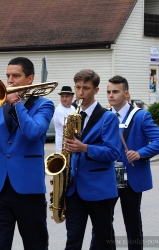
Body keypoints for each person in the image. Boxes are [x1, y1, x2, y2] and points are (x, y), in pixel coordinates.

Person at [0, 57, 54, 249]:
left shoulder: (44, 105)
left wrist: (17, 104)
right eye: (8, 76)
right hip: (0, 188)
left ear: (30, 79)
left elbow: (32, 132)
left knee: (35, 245)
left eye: (16, 76)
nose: (10, 80)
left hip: (29, 189)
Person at [104, 75, 159, 249]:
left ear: (126, 93)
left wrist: (140, 153)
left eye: (115, 91)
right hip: (108, 176)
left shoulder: (141, 116)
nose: (111, 95)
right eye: (108, 92)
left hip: (131, 176)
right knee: (103, 221)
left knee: (132, 223)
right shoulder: (105, 116)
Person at [63, 69, 121, 250]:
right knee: (73, 239)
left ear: (96, 90)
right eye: (78, 87)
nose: (80, 92)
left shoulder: (108, 117)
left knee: (104, 239)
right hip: (74, 188)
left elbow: (113, 152)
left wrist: (85, 148)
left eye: (86, 88)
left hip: (99, 188)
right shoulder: (73, 115)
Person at [53, 86, 76, 153]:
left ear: (72, 97)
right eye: (62, 96)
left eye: (66, 96)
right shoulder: (59, 110)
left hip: (71, 145)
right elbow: (69, 128)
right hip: (62, 147)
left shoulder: (73, 108)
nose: (64, 99)